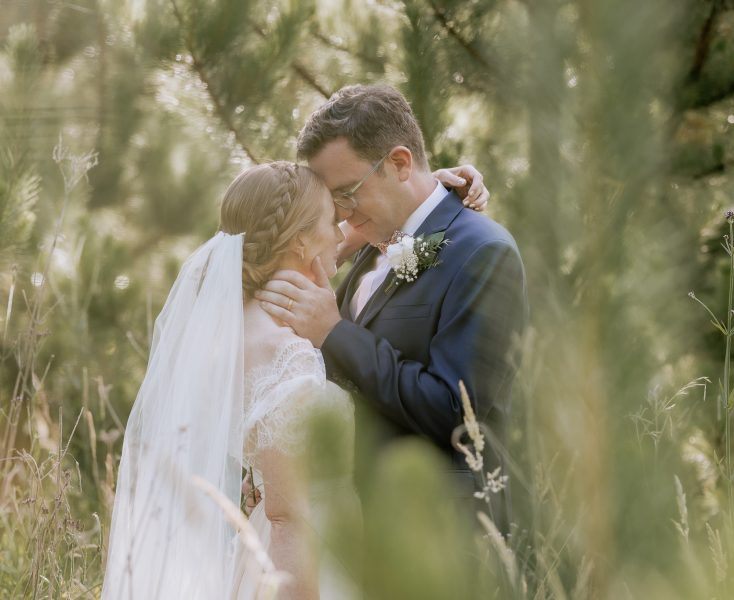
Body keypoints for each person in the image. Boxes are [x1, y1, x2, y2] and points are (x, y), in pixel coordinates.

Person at [101, 160, 488, 599]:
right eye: (330, 221)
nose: (342, 234)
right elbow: (288, 520)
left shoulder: (236, 327)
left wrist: (422, 189)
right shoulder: (286, 350)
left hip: (279, 551)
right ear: (301, 240)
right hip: (308, 567)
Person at [256, 84, 528, 516]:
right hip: (357, 526)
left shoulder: (481, 252)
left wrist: (335, 332)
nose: (341, 212)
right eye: (333, 201)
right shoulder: (370, 244)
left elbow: (457, 412)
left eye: (348, 192)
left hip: (439, 533)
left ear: (400, 163)